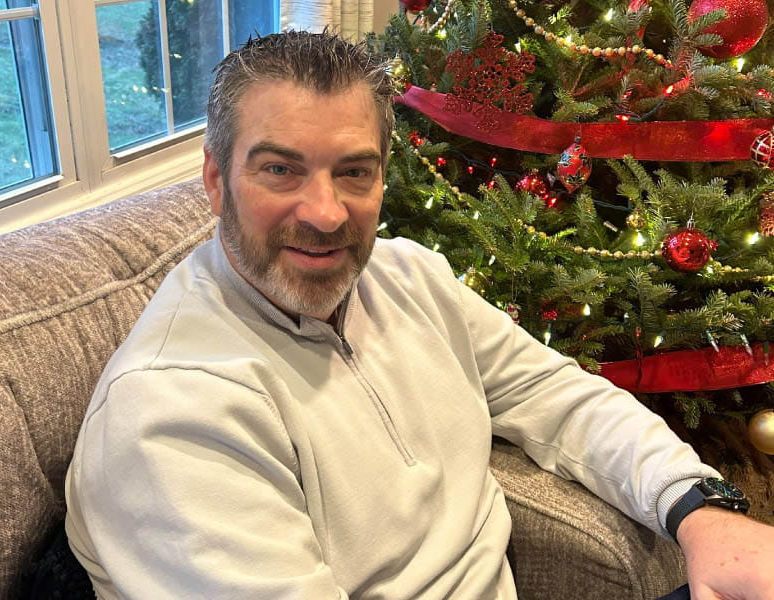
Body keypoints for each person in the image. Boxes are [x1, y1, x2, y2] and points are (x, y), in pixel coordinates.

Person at [65, 30, 774, 600]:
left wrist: (699, 507)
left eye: (354, 171)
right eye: (280, 169)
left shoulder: (405, 275)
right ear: (217, 180)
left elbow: (555, 394)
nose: (325, 213)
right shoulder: (171, 414)